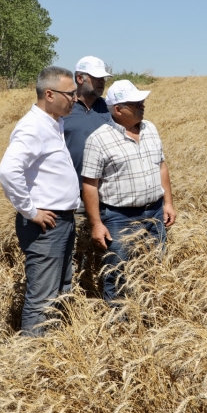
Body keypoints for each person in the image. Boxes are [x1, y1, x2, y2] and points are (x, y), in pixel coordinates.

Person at [0, 66, 81, 336]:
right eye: (70, 94)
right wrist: (31, 211)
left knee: (60, 288)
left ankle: (52, 347)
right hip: (47, 224)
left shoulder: (54, 123)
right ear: (49, 94)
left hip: (62, 220)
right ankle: (33, 357)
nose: (75, 99)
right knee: (43, 296)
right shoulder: (33, 127)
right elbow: (9, 171)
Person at [81, 80, 177, 304]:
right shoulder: (98, 139)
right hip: (118, 218)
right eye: (136, 103)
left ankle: (150, 315)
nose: (142, 105)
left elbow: (161, 166)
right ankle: (120, 324)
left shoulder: (150, 129)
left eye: (142, 101)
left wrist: (168, 203)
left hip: (154, 213)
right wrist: (96, 224)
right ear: (118, 109)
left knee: (153, 268)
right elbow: (90, 184)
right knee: (117, 274)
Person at [63, 56, 113, 182]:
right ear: (79, 78)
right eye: (96, 77)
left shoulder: (110, 109)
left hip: (105, 190)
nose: (102, 81)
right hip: (71, 190)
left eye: (103, 78)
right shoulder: (62, 109)